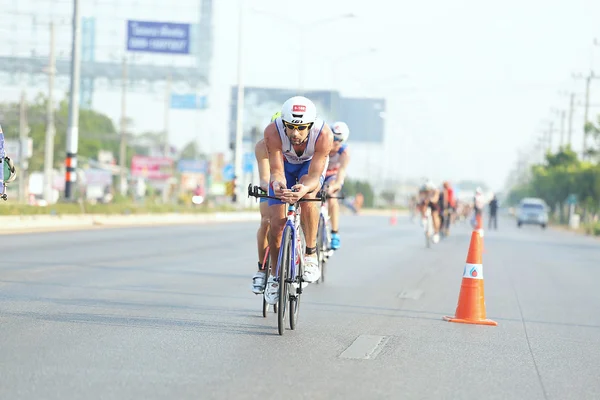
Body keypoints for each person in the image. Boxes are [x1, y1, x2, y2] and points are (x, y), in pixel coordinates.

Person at [263, 96, 333, 305]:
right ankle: (275, 276)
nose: (295, 133)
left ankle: (310, 253)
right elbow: (276, 171)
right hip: (285, 166)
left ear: (310, 125)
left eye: (301, 128)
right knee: (275, 225)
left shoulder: (324, 135)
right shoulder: (272, 132)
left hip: (309, 168)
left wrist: (303, 189)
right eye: (291, 127)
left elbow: (313, 177)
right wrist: (278, 185)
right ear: (284, 123)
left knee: (309, 196)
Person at [251, 111, 281, 294]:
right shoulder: (262, 146)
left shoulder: (298, 145)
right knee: (266, 222)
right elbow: (263, 178)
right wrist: (273, 187)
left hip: (292, 187)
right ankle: (262, 269)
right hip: (271, 186)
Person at [322, 121, 350, 250]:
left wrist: (336, 186)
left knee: (332, 197)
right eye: (333, 138)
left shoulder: (344, 152)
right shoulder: (322, 146)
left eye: (338, 140)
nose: (334, 143)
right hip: (319, 174)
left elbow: (341, 172)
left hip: (332, 177)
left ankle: (334, 233)